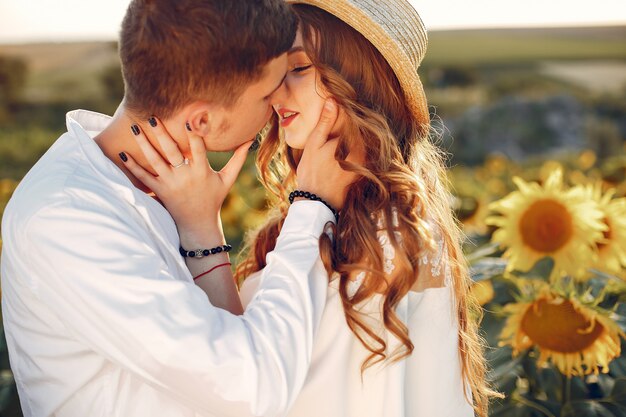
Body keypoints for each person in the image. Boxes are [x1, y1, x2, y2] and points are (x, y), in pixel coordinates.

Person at [128, 0, 501, 416]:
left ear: (360, 80)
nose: (274, 90)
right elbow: (240, 367)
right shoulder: (367, 217)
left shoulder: (386, 239)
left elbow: (242, 394)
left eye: (300, 68)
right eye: (273, 71)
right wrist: (203, 227)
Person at [0, 1, 351, 416]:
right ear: (200, 122)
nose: (278, 100)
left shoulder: (160, 189)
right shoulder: (67, 219)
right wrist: (311, 209)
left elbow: (223, 340)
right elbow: (250, 389)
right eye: (266, 90)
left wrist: (200, 228)